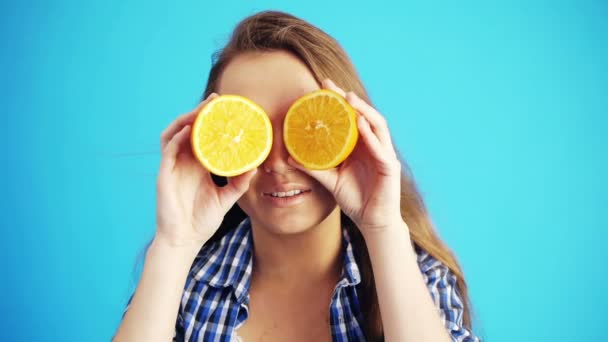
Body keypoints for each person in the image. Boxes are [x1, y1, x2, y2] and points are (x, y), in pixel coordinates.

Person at [114, 10, 480, 342]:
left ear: (353, 131)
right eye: (250, 131)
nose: (277, 162)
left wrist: (382, 226)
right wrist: (174, 244)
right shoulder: (185, 284)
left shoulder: (418, 279)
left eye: (303, 125)